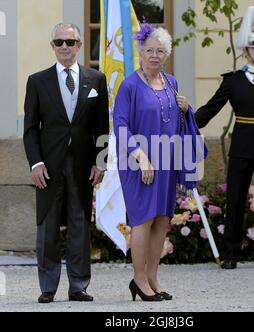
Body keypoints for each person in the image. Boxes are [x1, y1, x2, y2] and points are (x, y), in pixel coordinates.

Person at [195, 6, 254, 269]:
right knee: (235, 201)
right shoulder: (234, 80)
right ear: (245, 51)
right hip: (241, 149)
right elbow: (211, 107)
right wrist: (188, 121)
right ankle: (231, 254)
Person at [114, 24, 202, 301]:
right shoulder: (129, 85)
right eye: (149, 50)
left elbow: (177, 120)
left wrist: (187, 110)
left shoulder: (172, 82)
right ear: (141, 53)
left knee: (162, 220)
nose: (154, 55)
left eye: (160, 50)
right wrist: (140, 156)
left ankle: (152, 277)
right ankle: (138, 280)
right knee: (143, 219)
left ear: (167, 54)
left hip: (167, 160)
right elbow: (120, 125)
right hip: (139, 163)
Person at [23, 23, 109, 303]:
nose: (64, 47)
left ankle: (78, 285)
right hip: (49, 164)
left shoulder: (96, 80)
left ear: (79, 46)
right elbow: (30, 128)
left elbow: (102, 127)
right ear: (52, 46)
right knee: (47, 224)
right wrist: (35, 163)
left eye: (70, 42)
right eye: (59, 42)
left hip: (83, 164)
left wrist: (101, 162)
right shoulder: (37, 81)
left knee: (79, 222)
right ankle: (47, 286)